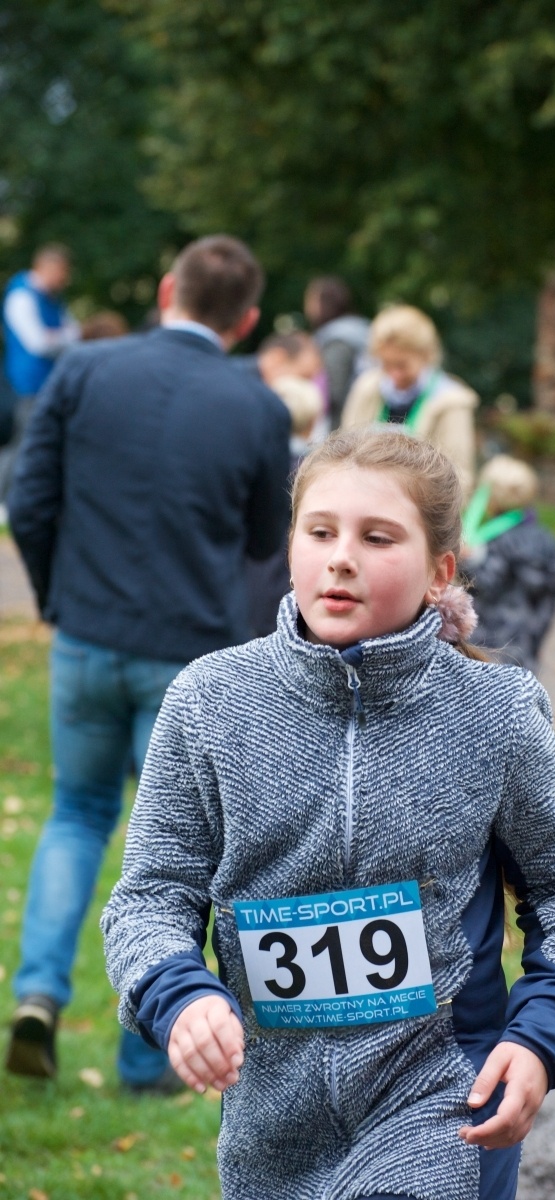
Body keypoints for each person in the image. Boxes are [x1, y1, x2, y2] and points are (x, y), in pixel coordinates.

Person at [102, 428, 555, 1200]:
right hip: (270, 1125)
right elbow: (151, 895)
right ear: (290, 548)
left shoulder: (494, 712)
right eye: (320, 532)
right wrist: (178, 994)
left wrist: (542, 1032)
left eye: (377, 537)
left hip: (443, 1105)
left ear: (439, 572)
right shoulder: (208, 702)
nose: (341, 556)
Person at [5, 235, 291, 1091]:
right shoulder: (258, 409)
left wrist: (57, 597)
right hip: (188, 656)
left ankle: (39, 993)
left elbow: (28, 498)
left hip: (86, 636)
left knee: (76, 813)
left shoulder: (85, 371)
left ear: (167, 289)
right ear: (244, 322)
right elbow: (261, 540)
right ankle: (148, 1052)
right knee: (177, 853)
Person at [342, 304, 478, 495]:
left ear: (426, 356)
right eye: (386, 364)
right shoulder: (366, 389)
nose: (394, 375)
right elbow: (344, 453)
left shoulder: (450, 401)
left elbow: (460, 478)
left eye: (402, 365)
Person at [461, 456, 555, 673]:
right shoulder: (544, 538)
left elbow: (485, 583)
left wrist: (464, 561)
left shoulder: (501, 540)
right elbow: (554, 589)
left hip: (492, 640)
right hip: (528, 637)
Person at [0, 244, 80, 509]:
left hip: (46, 383)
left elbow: (72, 332)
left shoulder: (52, 298)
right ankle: (3, 502)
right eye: (62, 273)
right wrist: (64, 337)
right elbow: (38, 342)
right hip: (24, 384)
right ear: (47, 267)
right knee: (20, 443)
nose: (64, 279)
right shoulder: (21, 295)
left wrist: (61, 337)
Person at [245, 373, 324, 636]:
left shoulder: (248, 468)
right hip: (295, 595)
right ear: (313, 421)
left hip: (248, 593)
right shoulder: (319, 476)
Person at [304, 275, 371, 429]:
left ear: (322, 303)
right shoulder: (360, 330)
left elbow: (334, 391)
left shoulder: (337, 339)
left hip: (344, 425)